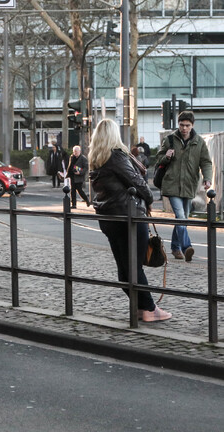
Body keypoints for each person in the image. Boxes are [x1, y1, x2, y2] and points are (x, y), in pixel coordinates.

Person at [89, 119, 172, 322]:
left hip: (109, 218)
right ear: (114, 136)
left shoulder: (96, 159)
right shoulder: (116, 156)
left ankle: (139, 308)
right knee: (134, 267)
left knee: (124, 268)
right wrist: (151, 198)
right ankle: (150, 309)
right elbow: (136, 182)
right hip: (129, 217)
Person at [155, 111, 212, 262]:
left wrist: (207, 179)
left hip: (189, 185)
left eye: (187, 125)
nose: (184, 128)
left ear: (192, 125)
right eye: (181, 125)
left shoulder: (199, 142)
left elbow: (206, 161)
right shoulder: (169, 140)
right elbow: (158, 159)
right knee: (181, 217)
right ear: (178, 124)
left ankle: (175, 247)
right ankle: (187, 247)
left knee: (182, 219)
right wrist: (166, 157)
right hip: (172, 184)